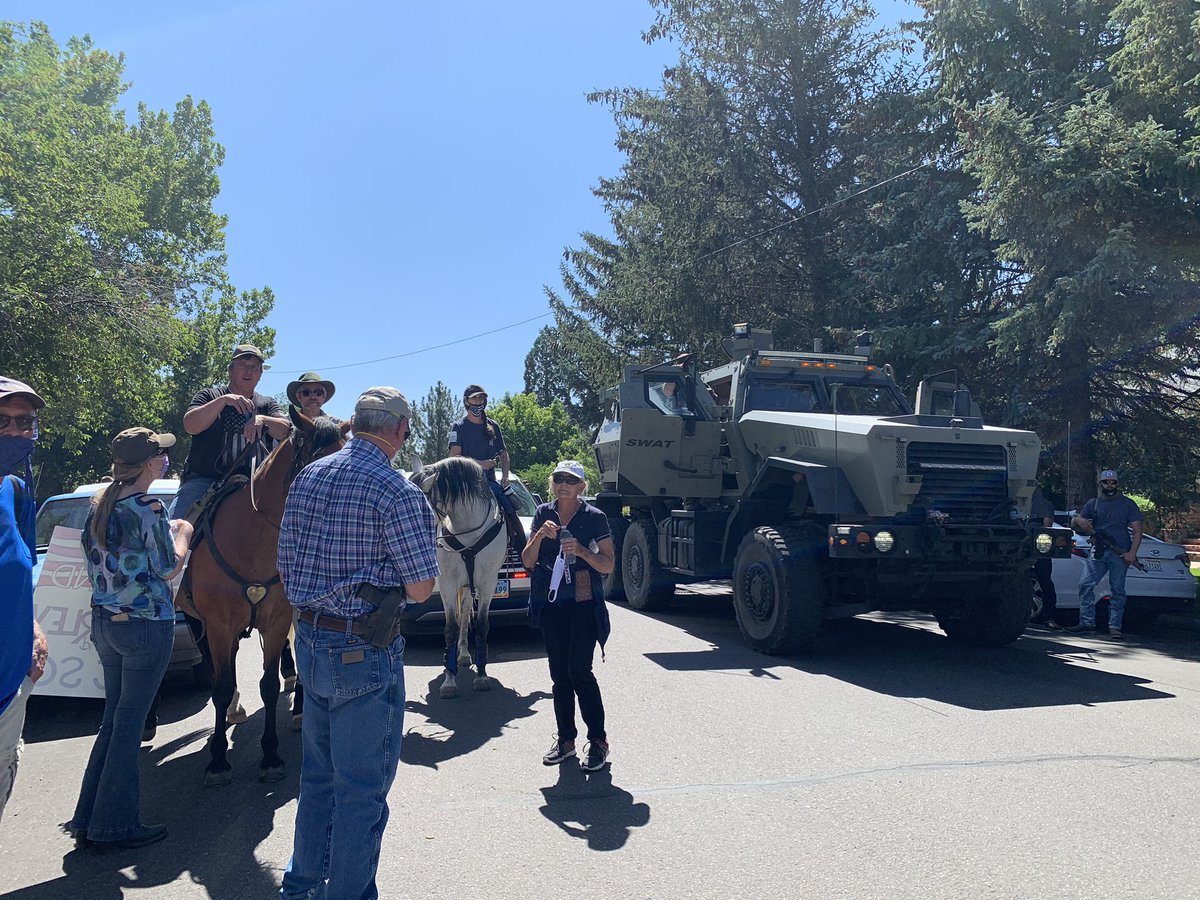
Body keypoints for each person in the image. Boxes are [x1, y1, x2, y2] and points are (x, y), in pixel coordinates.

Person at [277, 387, 438, 900]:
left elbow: (285, 565)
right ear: (399, 430)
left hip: (310, 641)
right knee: (362, 792)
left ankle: (301, 887)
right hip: (363, 651)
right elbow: (420, 588)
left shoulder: (307, 476)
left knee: (319, 780)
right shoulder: (397, 491)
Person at [66, 428, 192, 849]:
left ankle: (88, 816)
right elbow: (167, 567)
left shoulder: (99, 505)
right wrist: (183, 534)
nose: (165, 461)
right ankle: (113, 825)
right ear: (152, 464)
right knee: (128, 726)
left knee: (114, 722)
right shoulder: (150, 507)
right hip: (144, 624)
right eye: (162, 456)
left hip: (106, 623)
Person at [521, 460, 615, 773]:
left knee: (579, 670)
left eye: (571, 480)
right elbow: (527, 560)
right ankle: (565, 740)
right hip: (551, 603)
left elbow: (608, 564)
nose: (564, 484)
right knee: (559, 674)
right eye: (559, 478)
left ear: (581, 487)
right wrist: (538, 538)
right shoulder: (542, 513)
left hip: (583, 602)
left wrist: (584, 553)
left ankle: (598, 741)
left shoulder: (594, 517)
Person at [0, 377, 49, 821]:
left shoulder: (16, 490)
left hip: (11, 686)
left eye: (25, 422)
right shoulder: (209, 400)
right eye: (2, 421)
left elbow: (23, 568)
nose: (16, 432)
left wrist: (32, 627)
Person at [169, 343, 290, 519]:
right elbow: (191, 426)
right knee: (175, 530)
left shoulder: (267, 404)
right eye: (243, 365)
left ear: (260, 375)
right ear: (230, 370)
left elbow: (286, 431)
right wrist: (223, 401)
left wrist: (263, 420)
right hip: (205, 481)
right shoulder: (208, 396)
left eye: (254, 367)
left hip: (253, 485)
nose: (249, 371)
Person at [1067, 469, 1144, 640]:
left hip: (1120, 552)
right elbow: (1077, 521)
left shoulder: (1128, 504)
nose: (1109, 485)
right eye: (1106, 482)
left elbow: (1138, 530)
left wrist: (1132, 553)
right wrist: (1079, 520)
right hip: (1098, 550)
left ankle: (1115, 627)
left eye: (1113, 482)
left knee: (1117, 590)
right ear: (1100, 484)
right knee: (1085, 585)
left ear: (1117, 484)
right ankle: (1087, 623)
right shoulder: (1093, 503)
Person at [448, 384, 526, 549]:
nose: (478, 401)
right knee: (442, 505)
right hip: (465, 482)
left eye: (481, 398)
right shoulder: (458, 427)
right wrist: (479, 463)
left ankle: (522, 548)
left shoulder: (493, 426)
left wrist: (505, 476)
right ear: (466, 402)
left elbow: (504, 454)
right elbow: (455, 457)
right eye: (474, 398)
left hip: (489, 482)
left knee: (509, 507)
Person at [1029, 484, 1060, 629]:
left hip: (1036, 543)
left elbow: (1047, 527)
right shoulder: (1046, 504)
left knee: (1044, 580)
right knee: (1045, 580)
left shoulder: (1017, 503)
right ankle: (1049, 618)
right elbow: (1047, 525)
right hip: (1040, 545)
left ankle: (1050, 617)